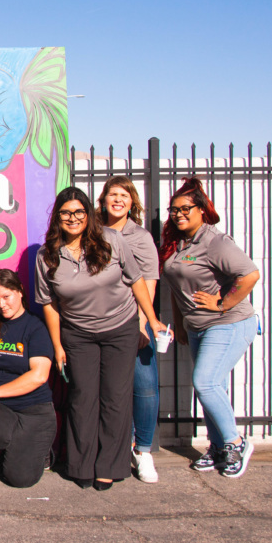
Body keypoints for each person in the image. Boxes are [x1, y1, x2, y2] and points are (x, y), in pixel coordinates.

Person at [35, 187, 167, 490]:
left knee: (116, 399)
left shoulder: (112, 240)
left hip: (120, 329)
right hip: (78, 334)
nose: (73, 218)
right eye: (66, 213)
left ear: (88, 214)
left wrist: (152, 319)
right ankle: (81, 465)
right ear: (57, 216)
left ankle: (109, 466)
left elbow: (136, 281)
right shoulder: (47, 256)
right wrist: (57, 346)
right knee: (82, 399)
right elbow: (49, 304)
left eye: (79, 212)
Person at [160, 177, 260, 478]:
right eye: (173, 209)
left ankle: (235, 443)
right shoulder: (179, 244)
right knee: (214, 388)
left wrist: (222, 303)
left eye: (185, 208)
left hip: (228, 324)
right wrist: (179, 321)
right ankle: (217, 446)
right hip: (197, 327)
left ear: (202, 210)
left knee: (205, 383)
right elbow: (179, 287)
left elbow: (250, 275)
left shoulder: (215, 241)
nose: (178, 214)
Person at [0, 270, 57, 489]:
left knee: (20, 479)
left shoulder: (35, 327)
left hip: (34, 409)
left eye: (6, 297)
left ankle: (36, 453)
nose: (1, 304)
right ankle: (24, 450)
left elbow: (39, 375)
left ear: (20, 292)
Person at [97, 176, 161, 483]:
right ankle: (118, 448)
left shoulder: (141, 237)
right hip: (100, 323)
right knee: (109, 390)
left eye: (124, 195)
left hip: (134, 322)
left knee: (144, 387)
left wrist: (141, 324)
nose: (118, 199)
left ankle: (143, 450)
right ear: (104, 199)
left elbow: (148, 282)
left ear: (132, 201)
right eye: (113, 194)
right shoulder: (94, 231)